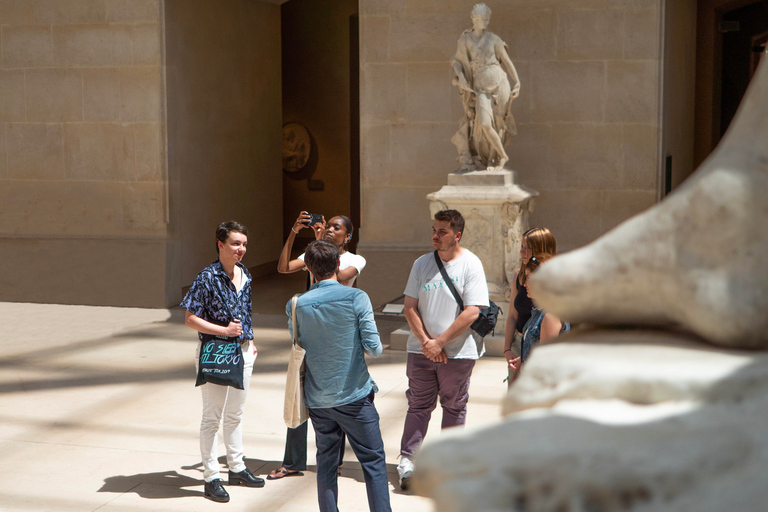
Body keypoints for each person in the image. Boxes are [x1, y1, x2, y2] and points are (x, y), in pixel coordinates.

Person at [287, 240, 391, 512]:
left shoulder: (296, 304)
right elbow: (375, 348)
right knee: (373, 463)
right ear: (338, 265)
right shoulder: (357, 297)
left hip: (318, 400)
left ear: (308, 269)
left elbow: (299, 344)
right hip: (355, 396)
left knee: (326, 464)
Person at [397, 209, 489, 490]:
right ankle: (408, 463)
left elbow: (472, 311)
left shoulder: (471, 264)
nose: (435, 236)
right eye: (434, 230)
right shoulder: (421, 263)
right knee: (418, 406)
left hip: (458, 353)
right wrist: (427, 342)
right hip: (421, 350)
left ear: (457, 235)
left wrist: (440, 342)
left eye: (443, 232)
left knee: (454, 406)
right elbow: (409, 307)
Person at [270, 212, 365, 480]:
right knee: (298, 397)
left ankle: (334, 461)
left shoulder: (355, 259)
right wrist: (294, 230)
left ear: (347, 236)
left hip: (338, 337)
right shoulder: (315, 253)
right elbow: (283, 267)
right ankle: (292, 461)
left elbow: (337, 276)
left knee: (338, 400)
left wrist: (318, 248)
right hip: (311, 333)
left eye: (337, 228)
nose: (330, 230)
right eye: (329, 226)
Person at [180, 221, 265, 503]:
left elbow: (246, 311)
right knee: (212, 417)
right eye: (235, 244)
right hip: (215, 352)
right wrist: (225, 331)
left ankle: (237, 467)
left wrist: (250, 341)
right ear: (220, 245)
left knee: (236, 413)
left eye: (244, 244)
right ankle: (211, 476)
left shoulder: (245, 274)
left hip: (242, 353)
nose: (241, 249)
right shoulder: (207, 277)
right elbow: (190, 319)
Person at [450, 3, 520, 172]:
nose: (486, 22)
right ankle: (502, 155)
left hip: (499, 83)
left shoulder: (494, 39)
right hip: (481, 88)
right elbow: (457, 62)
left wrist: (517, 82)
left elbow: (507, 61)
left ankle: (494, 160)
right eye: (482, 18)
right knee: (485, 124)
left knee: (498, 123)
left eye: (487, 19)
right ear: (474, 19)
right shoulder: (465, 40)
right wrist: (460, 76)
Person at [502, 227, 557, 387]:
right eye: (522, 246)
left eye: (528, 248)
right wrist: (507, 349)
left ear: (541, 249)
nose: (522, 252)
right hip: (519, 342)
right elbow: (512, 315)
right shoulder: (519, 276)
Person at [510, 254, 570, 374]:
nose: (524, 284)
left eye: (528, 278)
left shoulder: (550, 316)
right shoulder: (538, 313)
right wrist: (523, 359)